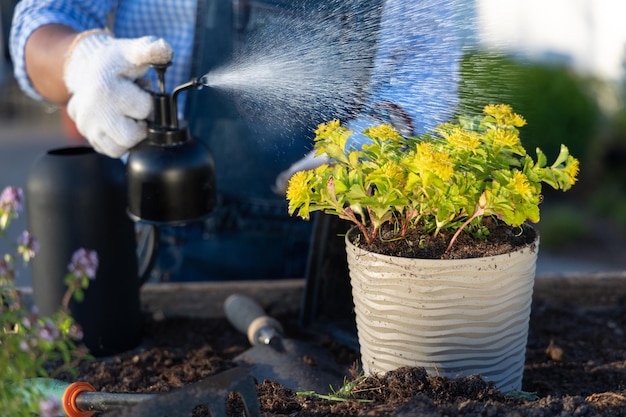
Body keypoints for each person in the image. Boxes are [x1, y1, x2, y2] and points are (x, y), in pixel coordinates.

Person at [10, 0, 464, 281]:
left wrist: (369, 142)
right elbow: (43, 19)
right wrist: (78, 60)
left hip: (346, 241)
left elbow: (426, 62)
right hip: (178, 236)